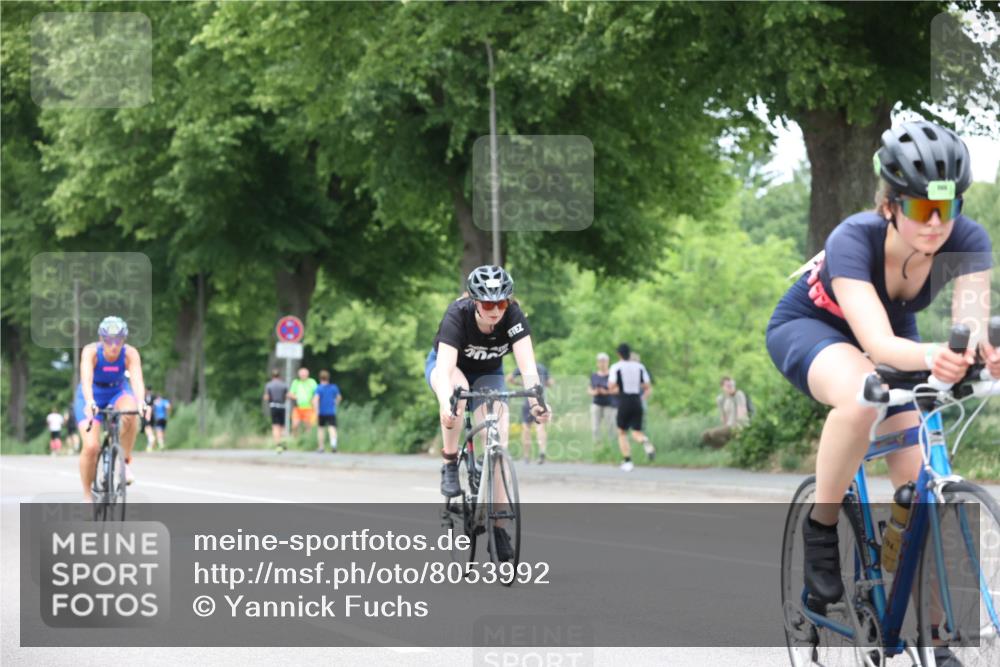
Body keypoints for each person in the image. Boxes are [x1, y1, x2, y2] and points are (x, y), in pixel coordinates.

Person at [765, 119, 999, 624]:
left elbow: (970, 325)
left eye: (948, 206)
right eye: (920, 209)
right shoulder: (855, 236)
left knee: (925, 507)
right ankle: (821, 527)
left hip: (895, 334)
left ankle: (935, 641)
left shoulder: (969, 238)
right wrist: (939, 353)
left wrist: (980, 352)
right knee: (862, 394)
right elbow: (876, 345)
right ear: (891, 206)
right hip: (814, 327)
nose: (936, 223)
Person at [425, 265, 550, 560]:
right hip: (450, 370)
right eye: (488, 304)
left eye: (502, 302)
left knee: (498, 442)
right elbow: (444, 370)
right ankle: (450, 461)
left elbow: (528, 367)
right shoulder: (457, 315)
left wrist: (536, 402)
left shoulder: (514, 317)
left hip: (489, 374)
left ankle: (499, 527)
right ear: (474, 301)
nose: (496, 310)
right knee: (456, 396)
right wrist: (445, 401)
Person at [74, 316, 146, 501]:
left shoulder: (130, 354)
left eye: (118, 340)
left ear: (124, 339)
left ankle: (125, 461)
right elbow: (86, 379)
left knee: (131, 413)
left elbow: (136, 380)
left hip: (118, 390)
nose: (113, 345)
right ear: (101, 339)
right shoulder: (91, 352)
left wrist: (141, 402)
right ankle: (87, 495)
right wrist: (90, 402)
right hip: (91, 394)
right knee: (91, 447)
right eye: (108, 340)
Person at [607, 343, 655, 471]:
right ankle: (644, 441)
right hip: (637, 400)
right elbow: (647, 386)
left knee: (622, 432)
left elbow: (611, 386)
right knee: (636, 432)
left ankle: (627, 461)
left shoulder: (616, 367)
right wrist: (641, 396)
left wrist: (617, 388)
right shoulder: (639, 367)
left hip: (624, 400)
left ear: (618, 354)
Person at [507, 362, 554, 464]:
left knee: (526, 428)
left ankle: (526, 456)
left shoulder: (523, 366)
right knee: (540, 427)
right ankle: (542, 451)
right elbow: (551, 382)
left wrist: (520, 384)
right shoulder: (542, 367)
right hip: (541, 400)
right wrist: (542, 384)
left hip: (528, 401)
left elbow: (509, 378)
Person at [701, 376, 749, 448]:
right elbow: (723, 417)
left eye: (733, 385)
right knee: (705, 435)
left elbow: (741, 413)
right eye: (728, 386)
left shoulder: (739, 395)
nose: (731, 387)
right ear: (722, 387)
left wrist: (739, 430)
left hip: (738, 426)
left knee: (714, 433)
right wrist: (724, 428)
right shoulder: (721, 399)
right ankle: (720, 450)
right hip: (728, 426)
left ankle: (729, 448)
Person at [589, 353, 618, 443]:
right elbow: (589, 389)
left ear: (608, 362)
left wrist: (606, 392)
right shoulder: (594, 375)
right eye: (600, 361)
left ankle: (611, 446)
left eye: (604, 361)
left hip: (609, 404)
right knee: (595, 427)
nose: (602, 363)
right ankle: (597, 446)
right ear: (597, 363)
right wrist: (595, 392)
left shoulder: (613, 375)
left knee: (611, 427)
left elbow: (618, 389)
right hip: (597, 403)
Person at [313, 370, 342, 452]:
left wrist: (316, 410)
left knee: (321, 429)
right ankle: (333, 445)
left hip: (321, 411)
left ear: (320, 378)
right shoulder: (333, 387)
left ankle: (321, 447)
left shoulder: (319, 388)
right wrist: (335, 403)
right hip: (331, 411)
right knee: (332, 428)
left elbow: (315, 399)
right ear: (328, 378)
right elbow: (339, 397)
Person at [263, 369, 289, 450]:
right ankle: (282, 441)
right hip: (282, 406)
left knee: (275, 426)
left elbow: (266, 397)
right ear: (279, 376)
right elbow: (287, 396)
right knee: (282, 426)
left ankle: (277, 444)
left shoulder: (268, 385)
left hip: (273, 406)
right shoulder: (284, 385)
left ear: (272, 376)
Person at [289, 366, 318, 438]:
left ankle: (307, 440)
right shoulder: (296, 382)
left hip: (309, 408)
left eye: (304, 375)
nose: (303, 376)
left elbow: (317, 393)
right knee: (294, 425)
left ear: (307, 375)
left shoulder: (312, 382)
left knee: (308, 426)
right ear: (299, 375)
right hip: (298, 408)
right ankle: (295, 438)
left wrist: (314, 400)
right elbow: (290, 394)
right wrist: (296, 397)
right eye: (302, 375)